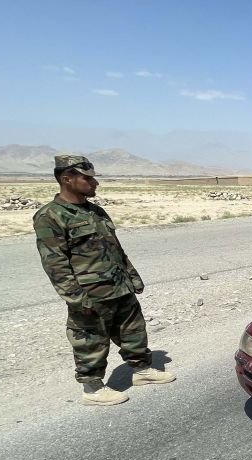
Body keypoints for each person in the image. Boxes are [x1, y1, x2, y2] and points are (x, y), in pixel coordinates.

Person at [33, 155, 175, 406]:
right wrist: (76, 297)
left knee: (133, 330)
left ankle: (142, 371)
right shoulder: (50, 216)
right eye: (87, 178)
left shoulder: (95, 211)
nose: (94, 182)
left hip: (119, 286)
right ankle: (92, 388)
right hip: (90, 293)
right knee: (90, 339)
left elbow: (115, 249)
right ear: (67, 179)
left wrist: (132, 276)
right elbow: (55, 263)